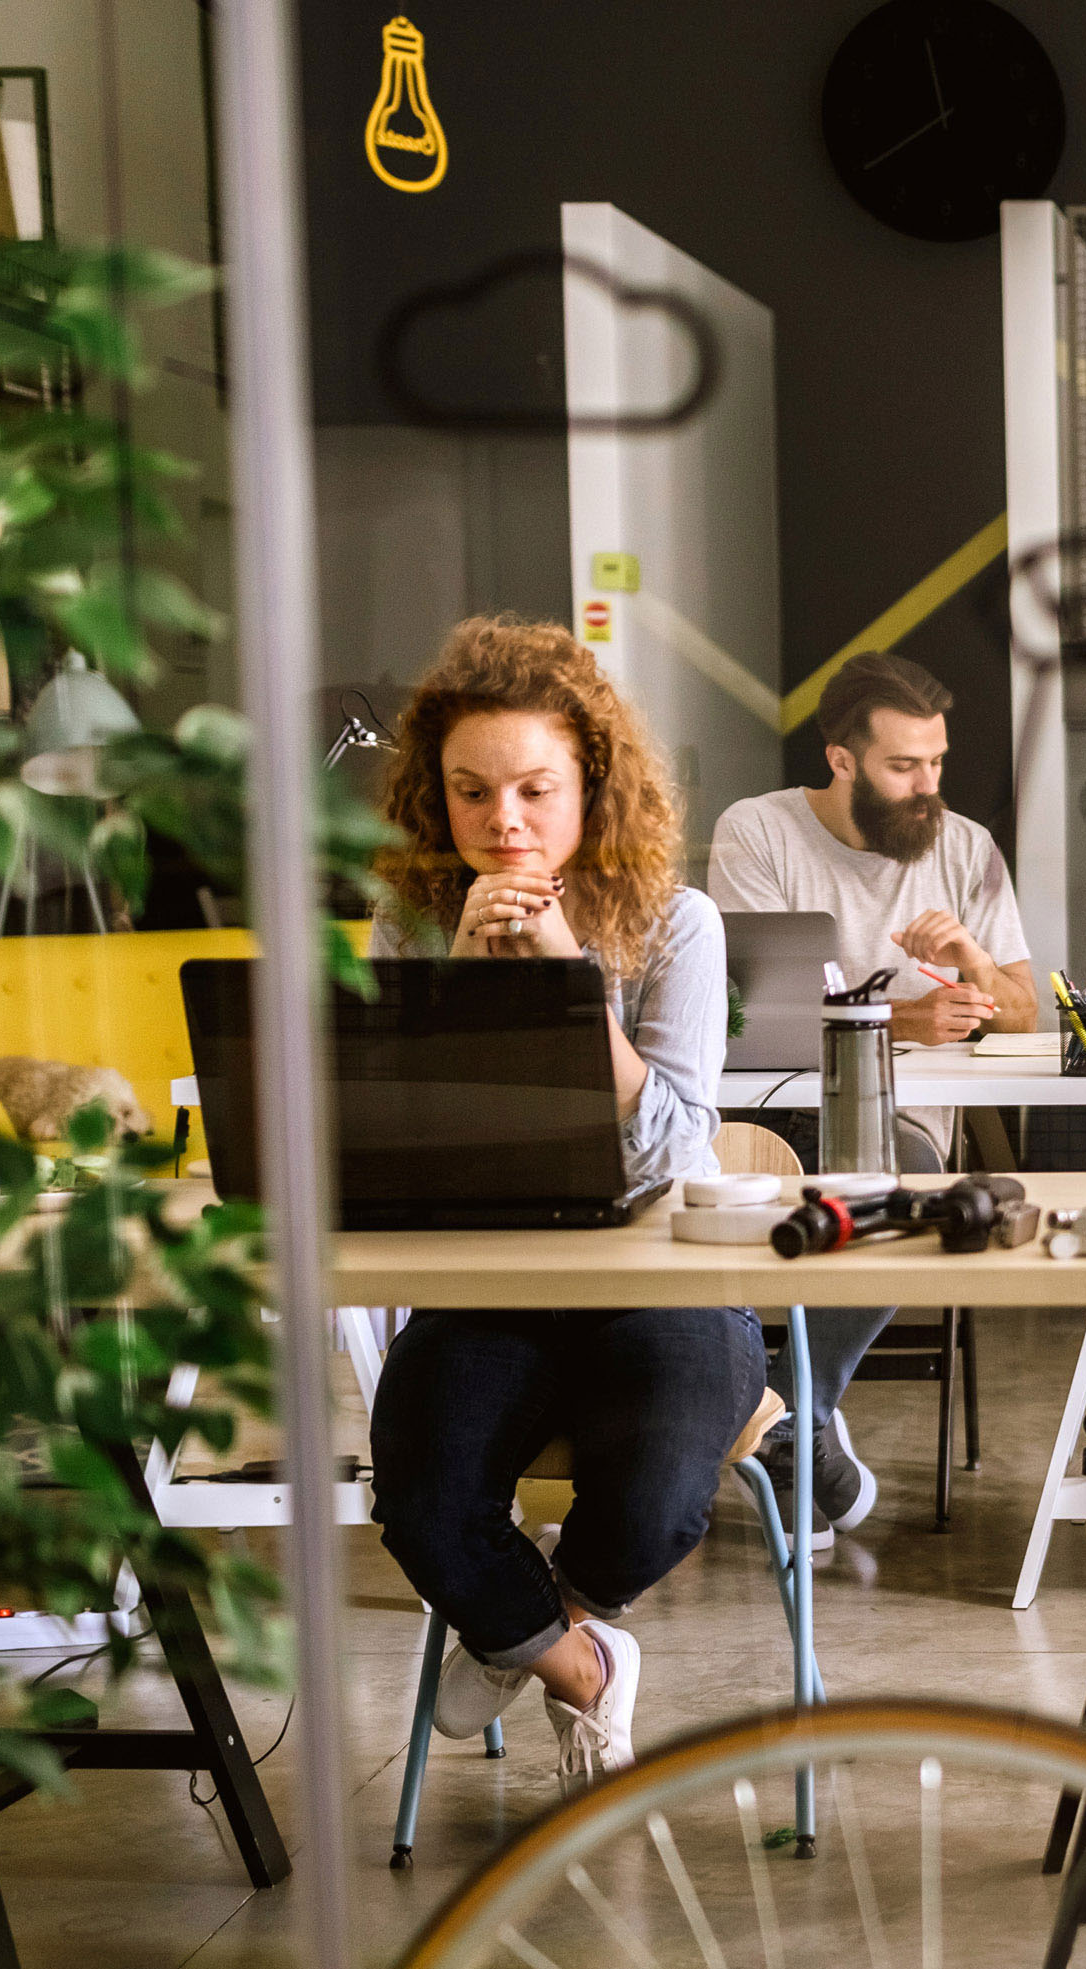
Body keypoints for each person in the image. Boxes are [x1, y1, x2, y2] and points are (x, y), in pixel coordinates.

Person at [365, 615, 750, 1790]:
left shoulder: (677, 926)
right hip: (497, 1280)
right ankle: (582, 1667)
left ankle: (529, 1622)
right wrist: (461, 1000)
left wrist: (573, 992)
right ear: (439, 801)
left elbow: (679, 1155)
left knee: (662, 1490)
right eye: (472, 794)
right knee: (420, 1494)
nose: (505, 824)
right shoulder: (413, 927)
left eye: (536, 789)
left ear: (595, 789)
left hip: (662, 1277)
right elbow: (399, 1146)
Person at [707, 652, 1038, 1540]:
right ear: (842, 759)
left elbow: (1023, 1011)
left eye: (937, 763)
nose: (927, 787)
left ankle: (783, 1410)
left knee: (909, 1181)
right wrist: (902, 1017)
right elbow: (742, 1016)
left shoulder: (964, 847)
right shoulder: (757, 832)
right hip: (768, 1111)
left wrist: (971, 962)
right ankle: (790, 1422)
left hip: (895, 1132)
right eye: (903, 766)